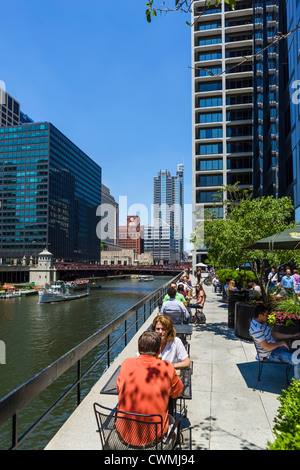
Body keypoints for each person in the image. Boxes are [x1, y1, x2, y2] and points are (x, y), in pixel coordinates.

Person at [116, 331, 183, 446]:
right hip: (153, 441)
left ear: (138, 348)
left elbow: (119, 388)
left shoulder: (126, 363)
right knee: (171, 419)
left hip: (123, 437)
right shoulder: (167, 367)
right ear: (159, 351)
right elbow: (177, 392)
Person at [249, 303, 300, 381]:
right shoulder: (256, 329)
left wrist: (292, 335)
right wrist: (281, 343)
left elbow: (273, 334)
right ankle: (297, 385)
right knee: (297, 360)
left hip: (274, 349)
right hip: (268, 355)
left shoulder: (261, 322)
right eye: (266, 315)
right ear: (260, 316)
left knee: (297, 353)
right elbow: (267, 347)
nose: (268, 316)